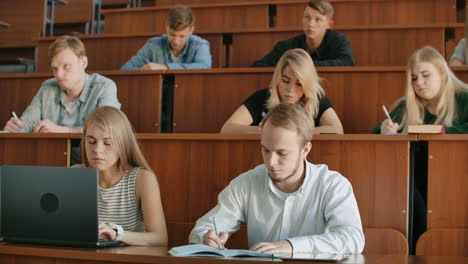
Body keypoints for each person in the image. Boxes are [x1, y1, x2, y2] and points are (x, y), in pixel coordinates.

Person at [190, 103, 364, 254]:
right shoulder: (246, 184)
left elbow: (353, 239)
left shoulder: (332, 185)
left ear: (305, 150)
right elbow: (200, 230)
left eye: (282, 153)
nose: (271, 162)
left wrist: (292, 247)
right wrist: (206, 238)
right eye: (266, 150)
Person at [74, 106, 168, 246]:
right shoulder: (76, 174)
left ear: (123, 144)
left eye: (108, 143)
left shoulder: (143, 179)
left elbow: (160, 239)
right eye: (91, 141)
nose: (97, 150)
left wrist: (118, 234)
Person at [3, 35, 121, 133]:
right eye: (54, 68)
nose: (59, 75)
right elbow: (28, 123)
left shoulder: (104, 87)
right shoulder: (47, 88)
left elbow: (107, 128)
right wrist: (16, 129)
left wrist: (61, 130)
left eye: (66, 66)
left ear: (83, 62)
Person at [221, 48, 343, 134]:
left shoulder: (315, 98)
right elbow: (227, 129)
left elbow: (337, 130)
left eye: (299, 84)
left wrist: (299, 132)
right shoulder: (262, 97)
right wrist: (262, 131)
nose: (290, 89)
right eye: (285, 81)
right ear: (277, 78)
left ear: (308, 85)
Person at [374, 46, 468, 134]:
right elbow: (376, 133)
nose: (419, 82)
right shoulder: (406, 105)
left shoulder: (464, 98)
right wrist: (384, 129)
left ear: (442, 73)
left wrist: (440, 131)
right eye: (414, 78)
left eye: (425, 75)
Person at [252, 0, 354, 67]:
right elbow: (259, 66)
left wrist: (303, 65)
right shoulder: (287, 45)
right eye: (307, 17)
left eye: (318, 19)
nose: (310, 24)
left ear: (329, 24)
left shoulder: (339, 41)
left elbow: (347, 62)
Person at [120, 5, 211, 70]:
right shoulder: (153, 44)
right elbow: (125, 69)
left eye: (181, 36)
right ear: (166, 27)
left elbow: (204, 67)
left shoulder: (200, 45)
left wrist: (165, 67)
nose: (176, 41)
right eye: (172, 35)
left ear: (191, 30)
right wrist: (143, 69)